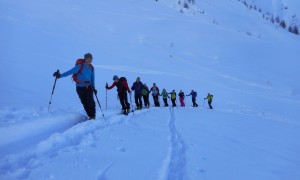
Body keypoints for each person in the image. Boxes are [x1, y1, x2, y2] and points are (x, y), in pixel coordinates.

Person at [53, 53, 96, 120]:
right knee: (84, 102)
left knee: (91, 101)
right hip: (80, 88)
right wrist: (60, 76)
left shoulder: (92, 68)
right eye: (88, 59)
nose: (89, 60)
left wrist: (94, 88)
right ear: (85, 59)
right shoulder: (79, 66)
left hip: (89, 87)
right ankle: (90, 116)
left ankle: (93, 116)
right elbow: (69, 72)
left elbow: (92, 78)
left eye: (90, 59)